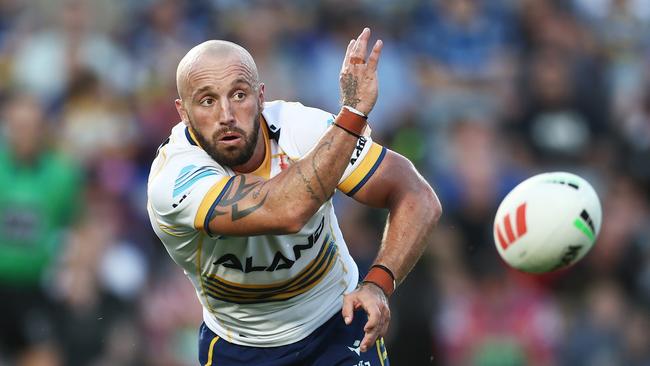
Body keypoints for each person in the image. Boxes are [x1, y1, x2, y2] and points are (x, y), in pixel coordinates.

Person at [147, 27, 442, 365]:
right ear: (183, 112)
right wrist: (353, 115)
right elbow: (286, 211)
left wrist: (378, 283)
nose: (226, 115)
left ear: (261, 97)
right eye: (207, 101)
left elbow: (417, 195)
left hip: (338, 323)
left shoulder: (302, 128)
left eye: (239, 95)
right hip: (239, 349)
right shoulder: (174, 180)